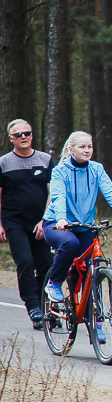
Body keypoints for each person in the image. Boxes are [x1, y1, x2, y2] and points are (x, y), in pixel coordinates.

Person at [42, 131, 112, 342]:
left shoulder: (96, 169)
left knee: (88, 272)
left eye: (90, 147)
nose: (87, 150)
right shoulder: (60, 171)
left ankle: (94, 322)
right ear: (71, 149)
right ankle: (54, 282)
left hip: (84, 225)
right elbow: (58, 196)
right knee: (70, 243)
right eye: (82, 147)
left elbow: (110, 192)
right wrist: (61, 218)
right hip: (57, 224)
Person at [0, 120, 56, 329]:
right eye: (18, 134)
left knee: (46, 264)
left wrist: (46, 220)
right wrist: (0, 224)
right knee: (25, 261)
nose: (23, 137)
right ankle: (33, 307)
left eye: (27, 133)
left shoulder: (45, 160)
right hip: (14, 221)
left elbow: (53, 193)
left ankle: (45, 306)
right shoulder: (3, 163)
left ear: (32, 135)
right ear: (11, 138)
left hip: (41, 222)